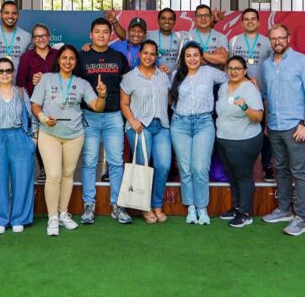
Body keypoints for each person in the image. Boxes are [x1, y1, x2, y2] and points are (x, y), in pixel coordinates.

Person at [31, 44, 107, 236]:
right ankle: (52, 218)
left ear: (76, 62)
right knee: (53, 175)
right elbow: (35, 105)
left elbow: (97, 107)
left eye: (72, 58)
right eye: (64, 58)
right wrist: (43, 118)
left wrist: (102, 95)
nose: (68, 61)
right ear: (58, 60)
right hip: (49, 133)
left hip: (74, 135)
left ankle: (63, 213)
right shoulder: (47, 78)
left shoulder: (82, 83)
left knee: (67, 175)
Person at [261, 24, 305, 236]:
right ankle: (283, 210)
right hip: (274, 126)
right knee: (281, 169)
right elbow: (266, 96)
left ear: (288, 38)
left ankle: (302, 218)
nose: (277, 41)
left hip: (295, 127)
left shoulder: (303, 62)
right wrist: (267, 122)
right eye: (273, 38)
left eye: (281, 37)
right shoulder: (267, 65)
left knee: (299, 172)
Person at [77, 17, 131, 225]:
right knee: (90, 162)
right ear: (90, 34)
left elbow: (127, 84)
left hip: (114, 115)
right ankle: (89, 205)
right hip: (89, 115)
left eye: (105, 32)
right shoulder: (81, 56)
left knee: (116, 162)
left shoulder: (118, 57)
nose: (101, 35)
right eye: (97, 31)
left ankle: (117, 205)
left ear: (110, 35)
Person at [170, 41, 227, 225]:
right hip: (180, 124)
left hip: (204, 123)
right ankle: (191, 207)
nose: (192, 59)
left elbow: (232, 77)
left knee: (200, 168)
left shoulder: (209, 72)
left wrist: (250, 81)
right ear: (183, 58)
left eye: (196, 55)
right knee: (185, 168)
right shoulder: (175, 75)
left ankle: (202, 208)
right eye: (188, 56)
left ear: (202, 57)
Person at [0, 58, 38, 234]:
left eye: (8, 70)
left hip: (19, 137)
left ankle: (19, 218)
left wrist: (33, 140)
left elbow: (32, 118)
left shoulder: (21, 92)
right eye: (1, 71)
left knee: (22, 179)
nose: (5, 74)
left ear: (13, 73)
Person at [120, 40, 172, 223]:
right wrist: (132, 121)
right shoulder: (129, 77)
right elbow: (124, 104)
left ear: (156, 56)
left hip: (162, 126)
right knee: (142, 166)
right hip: (140, 126)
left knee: (164, 165)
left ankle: (157, 204)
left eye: (152, 54)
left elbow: (169, 99)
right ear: (140, 54)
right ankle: (145, 206)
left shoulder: (163, 76)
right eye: (145, 53)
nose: (148, 57)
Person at [215, 56, 264, 228]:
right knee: (232, 175)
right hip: (224, 138)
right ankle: (237, 208)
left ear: (245, 71)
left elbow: (258, 117)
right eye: (230, 68)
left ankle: (245, 213)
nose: (233, 71)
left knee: (243, 176)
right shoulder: (223, 87)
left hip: (244, 140)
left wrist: (244, 107)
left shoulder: (250, 88)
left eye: (237, 68)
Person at [228, 8, 275, 182]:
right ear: (241, 23)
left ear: (259, 22)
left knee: (265, 132)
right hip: (239, 94)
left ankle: (267, 166)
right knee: (238, 130)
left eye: (253, 19)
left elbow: (273, 67)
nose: (249, 22)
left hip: (262, 94)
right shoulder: (233, 41)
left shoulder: (267, 42)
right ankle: (239, 166)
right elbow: (229, 67)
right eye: (246, 19)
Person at [15, 23, 59, 183]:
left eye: (44, 35)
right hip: (35, 106)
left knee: (55, 138)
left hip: (56, 104)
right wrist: (23, 107)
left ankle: (54, 169)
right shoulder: (26, 57)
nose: (41, 39)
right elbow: (20, 84)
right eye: (37, 36)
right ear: (33, 39)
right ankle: (43, 168)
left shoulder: (58, 54)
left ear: (49, 37)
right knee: (39, 138)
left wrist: (46, 79)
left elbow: (67, 76)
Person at [0, 1, 31, 71]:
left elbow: (32, 61)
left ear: (18, 15)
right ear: (0, 15)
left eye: (14, 13)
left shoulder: (27, 36)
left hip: (20, 78)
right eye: (6, 13)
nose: (10, 16)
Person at [182, 4, 228, 69]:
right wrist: (213, 55)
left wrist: (196, 55)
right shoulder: (187, 36)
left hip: (215, 75)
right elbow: (186, 60)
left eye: (206, 15)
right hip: (193, 75)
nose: (203, 18)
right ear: (195, 19)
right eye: (199, 16)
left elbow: (223, 59)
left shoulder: (221, 37)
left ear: (211, 18)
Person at [146, 7, 183, 75]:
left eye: (170, 19)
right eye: (163, 18)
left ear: (174, 22)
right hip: (153, 78)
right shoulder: (148, 35)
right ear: (158, 20)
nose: (167, 21)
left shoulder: (180, 37)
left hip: (174, 79)